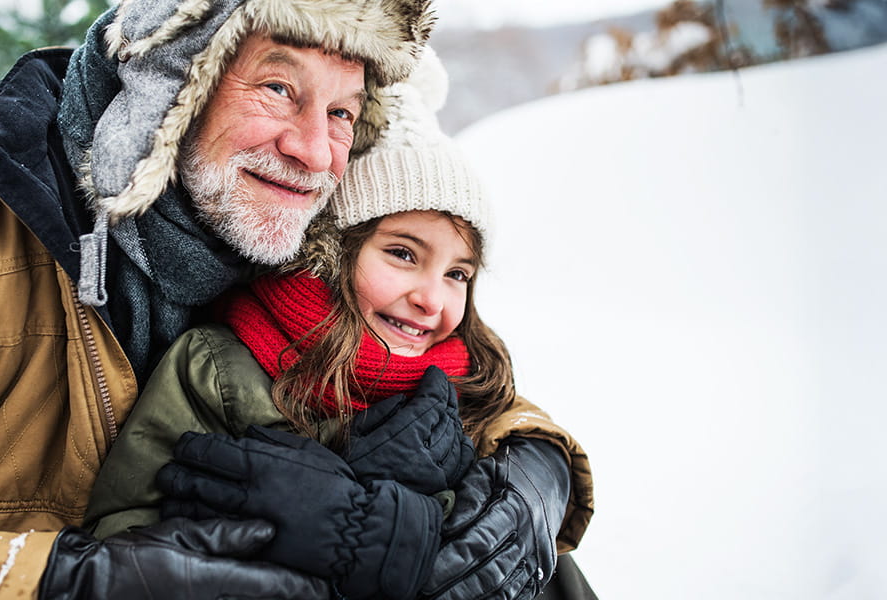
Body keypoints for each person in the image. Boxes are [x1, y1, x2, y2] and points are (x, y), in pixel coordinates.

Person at [0, 1, 592, 598]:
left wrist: (532, 466)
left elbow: (424, 348)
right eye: (279, 88)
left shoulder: (288, 224)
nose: (316, 152)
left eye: (343, 111)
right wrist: (72, 580)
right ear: (177, 83)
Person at [83, 50, 594, 599]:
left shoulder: (469, 383)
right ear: (332, 253)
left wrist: (530, 478)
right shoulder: (221, 369)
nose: (431, 298)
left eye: (457, 273)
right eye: (402, 254)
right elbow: (126, 533)